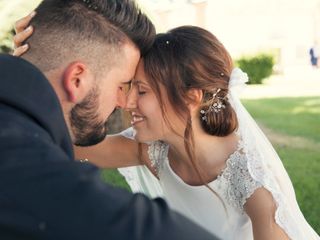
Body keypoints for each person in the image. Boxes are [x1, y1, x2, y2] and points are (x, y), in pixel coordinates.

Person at [13, 11, 320, 240]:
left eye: (142, 91)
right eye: (130, 86)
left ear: (191, 97)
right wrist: (38, 70)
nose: (128, 102)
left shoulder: (254, 183)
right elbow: (64, 145)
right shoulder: (153, 150)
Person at [0, 0, 217, 239]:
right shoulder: (30, 171)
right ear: (77, 80)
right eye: (122, 85)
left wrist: (25, 70)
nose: (124, 103)